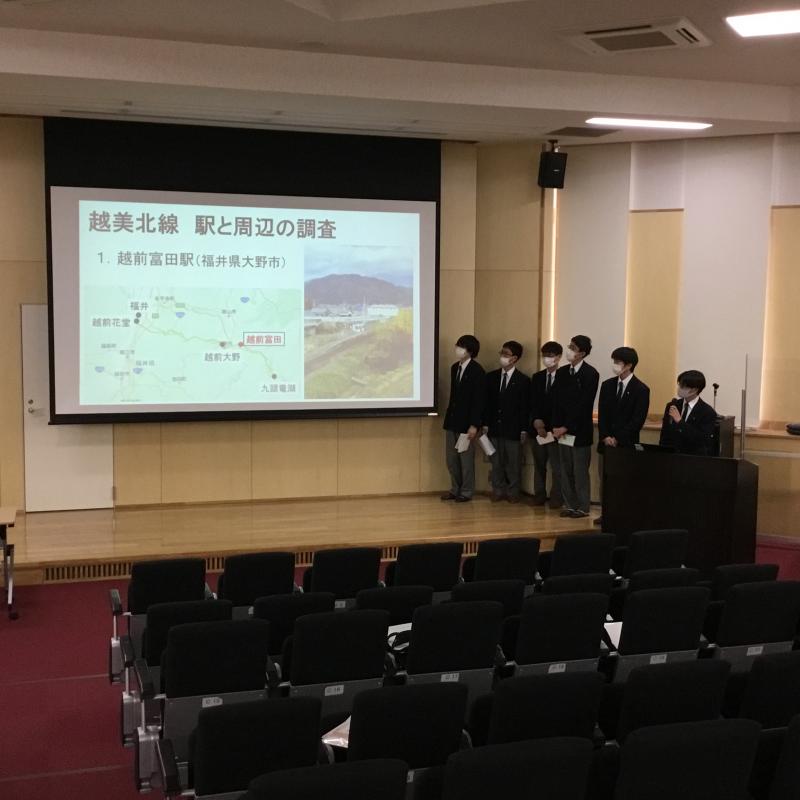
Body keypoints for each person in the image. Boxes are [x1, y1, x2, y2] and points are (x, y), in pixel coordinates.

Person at [595, 346, 650, 525]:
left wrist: (617, 438)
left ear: (629, 365)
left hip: (625, 444)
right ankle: (606, 513)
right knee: (605, 480)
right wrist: (605, 436)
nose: (615, 365)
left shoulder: (641, 389)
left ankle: (623, 514)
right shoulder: (607, 385)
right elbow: (602, 415)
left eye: (618, 362)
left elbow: (637, 420)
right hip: (606, 443)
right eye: (614, 361)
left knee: (624, 481)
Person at [551, 335, 599, 519]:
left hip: (579, 431)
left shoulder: (590, 374)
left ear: (582, 353)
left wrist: (567, 426)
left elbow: (584, 405)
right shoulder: (562, 372)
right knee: (566, 469)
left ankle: (583, 506)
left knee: (580, 471)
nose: (569, 350)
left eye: (573, 348)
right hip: (562, 431)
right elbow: (556, 401)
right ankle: (570, 504)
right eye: (569, 346)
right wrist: (556, 426)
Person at [483, 340, 531, 503]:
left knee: (513, 463)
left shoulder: (523, 380)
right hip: (494, 427)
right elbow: (486, 404)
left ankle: (513, 492)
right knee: (496, 462)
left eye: (506, 354)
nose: (502, 356)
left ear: (514, 358)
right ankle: (498, 490)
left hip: (513, 429)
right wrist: (485, 424)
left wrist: (524, 429)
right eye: (502, 353)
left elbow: (525, 407)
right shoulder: (491, 377)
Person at [442, 334, 486, 503]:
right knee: (451, 459)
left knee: (465, 460)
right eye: (458, 345)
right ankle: (455, 488)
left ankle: (466, 491)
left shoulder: (477, 371)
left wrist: (474, 424)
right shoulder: (455, 368)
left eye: (462, 346)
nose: (458, 349)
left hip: (467, 424)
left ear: (470, 351)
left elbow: (478, 400)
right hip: (452, 420)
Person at [530, 341, 564, 508]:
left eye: (550, 356)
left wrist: (555, 428)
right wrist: (536, 421)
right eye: (544, 355)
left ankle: (556, 498)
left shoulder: (565, 377)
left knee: (557, 468)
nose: (546, 359)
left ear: (558, 357)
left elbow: (564, 406)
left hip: (556, 431)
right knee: (539, 465)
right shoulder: (537, 377)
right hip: (538, 430)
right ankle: (539, 495)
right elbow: (532, 402)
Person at [659, 370, 717, 456]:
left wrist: (680, 422)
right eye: (679, 384)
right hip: (671, 457)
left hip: (693, 458)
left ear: (694, 390)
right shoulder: (672, 405)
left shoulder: (707, 412)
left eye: (683, 386)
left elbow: (702, 440)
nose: (679, 388)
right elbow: (664, 435)